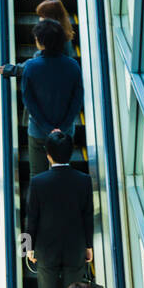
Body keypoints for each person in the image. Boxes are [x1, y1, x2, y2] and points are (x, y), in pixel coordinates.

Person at [26, 132, 93, 288]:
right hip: (75, 250)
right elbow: (87, 216)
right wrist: (88, 246)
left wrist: (28, 248)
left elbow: (32, 218)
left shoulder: (38, 182)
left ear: (47, 154)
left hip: (46, 251)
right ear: (71, 153)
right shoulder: (84, 180)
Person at [18, 20, 83, 178]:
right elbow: (77, 100)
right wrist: (62, 127)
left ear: (41, 42)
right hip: (65, 133)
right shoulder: (73, 66)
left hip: (38, 131)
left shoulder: (31, 67)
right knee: (63, 173)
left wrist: (48, 127)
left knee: (37, 175)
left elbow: (29, 101)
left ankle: (38, 203)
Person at [0, 0, 76, 79]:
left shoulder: (52, 41)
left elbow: (33, 65)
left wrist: (11, 69)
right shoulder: (64, 30)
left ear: (51, 18)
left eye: (43, 16)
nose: (40, 19)